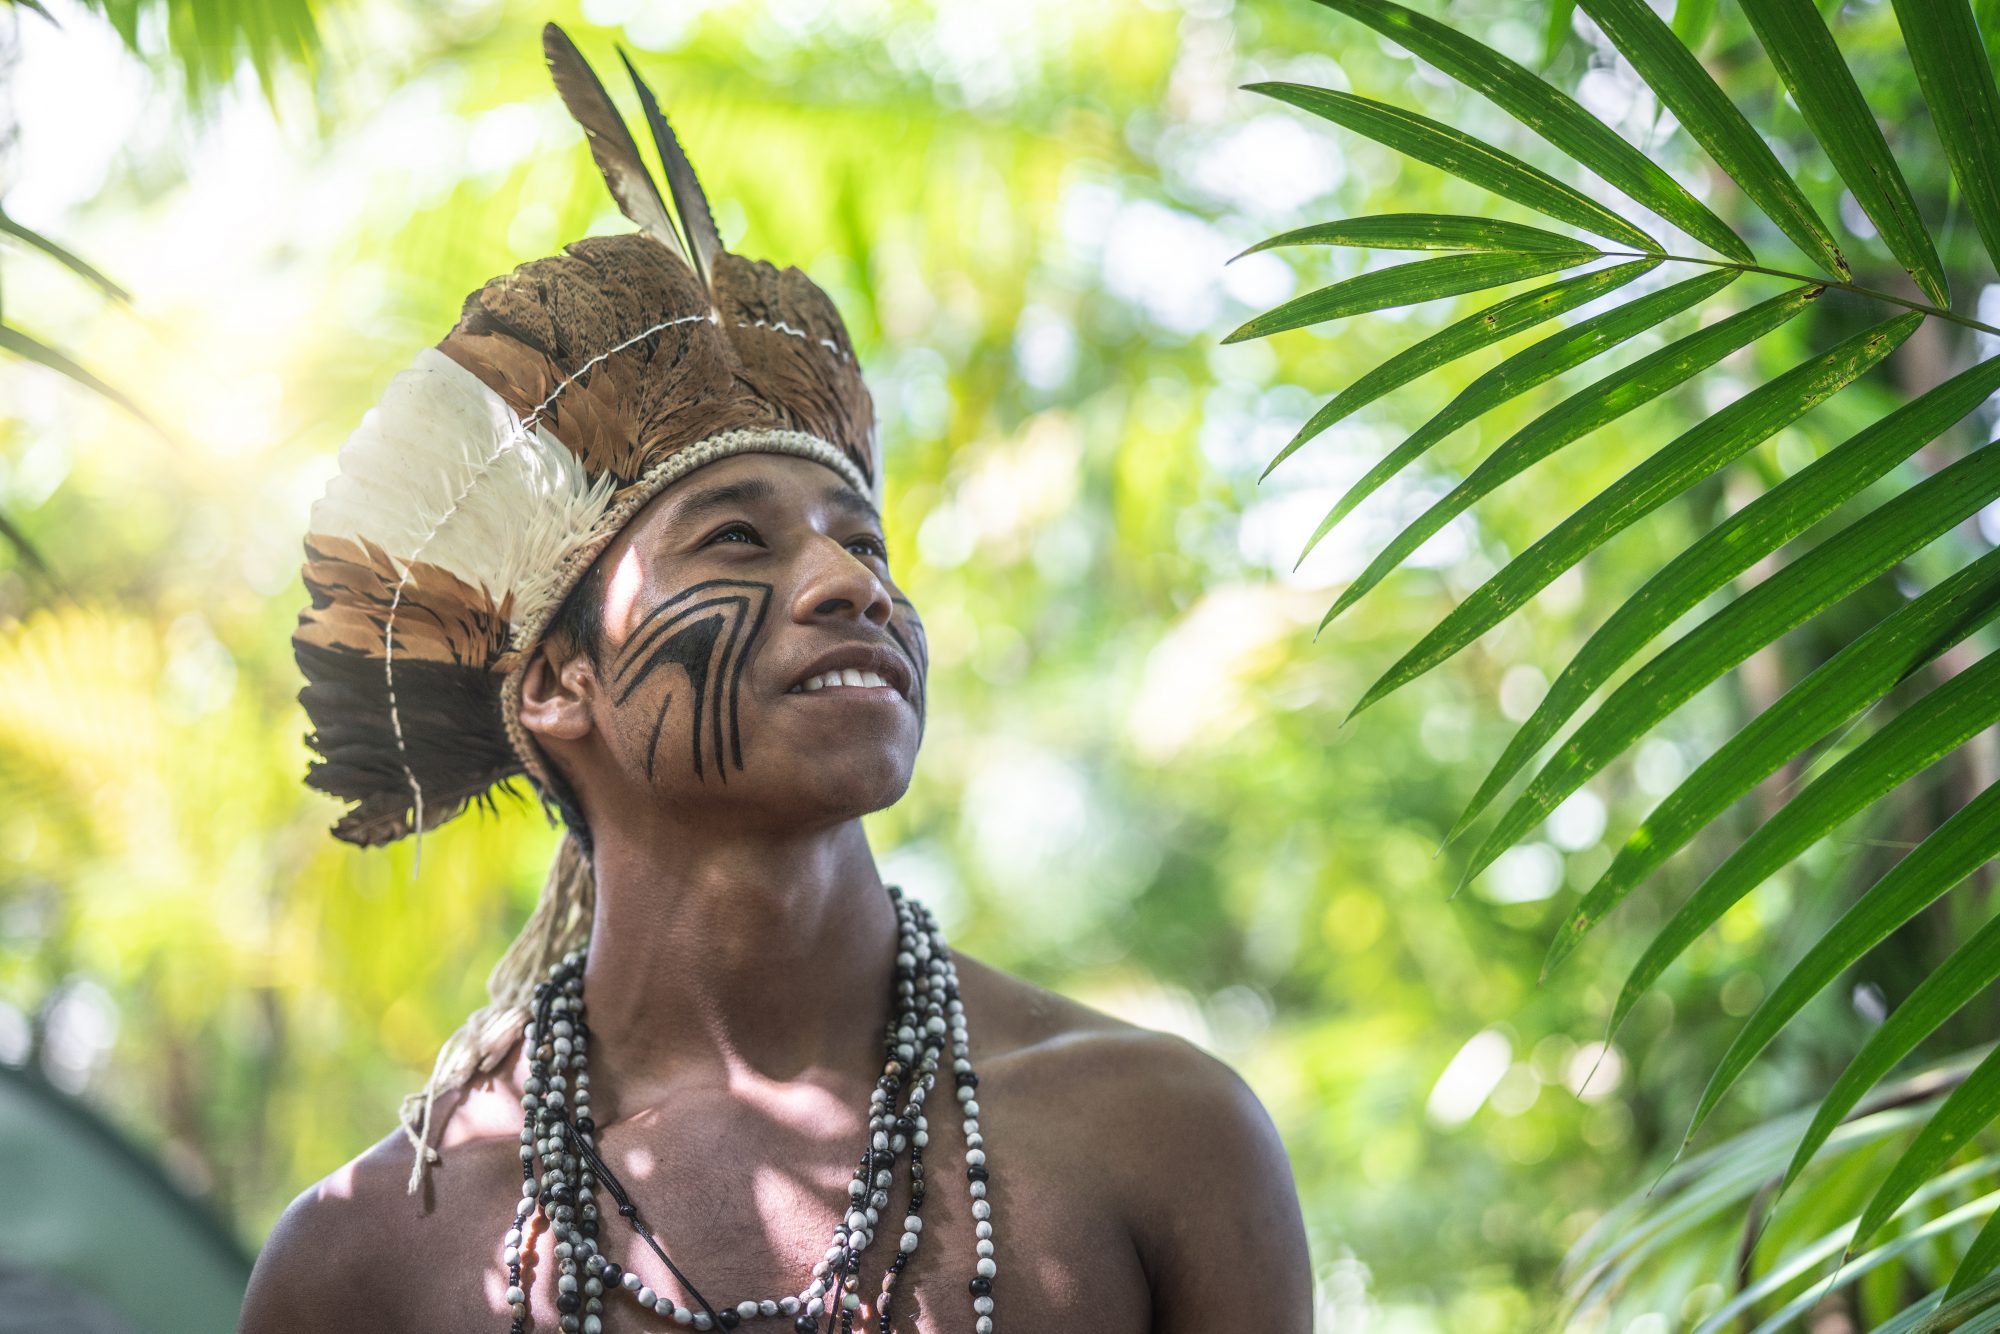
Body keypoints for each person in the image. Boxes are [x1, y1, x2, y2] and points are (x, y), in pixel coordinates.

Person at [238, 25, 1311, 1334]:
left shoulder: (1161, 1138)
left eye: (865, 541)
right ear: (557, 684)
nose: (850, 582)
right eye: (739, 537)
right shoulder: (377, 1256)